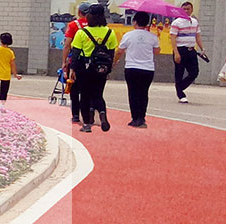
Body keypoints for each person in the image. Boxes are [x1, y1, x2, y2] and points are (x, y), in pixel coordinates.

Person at [68, 3, 117, 132]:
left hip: (84, 68)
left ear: (89, 16)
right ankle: (102, 114)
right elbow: (111, 53)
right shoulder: (110, 33)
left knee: (85, 96)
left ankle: (86, 125)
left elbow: (76, 53)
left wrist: (72, 69)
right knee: (98, 95)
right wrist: (108, 70)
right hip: (101, 68)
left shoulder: (82, 33)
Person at [117, 11, 158, 128]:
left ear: (134, 22)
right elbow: (157, 51)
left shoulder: (128, 35)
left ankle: (135, 118)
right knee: (144, 93)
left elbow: (120, 51)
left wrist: (114, 61)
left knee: (133, 93)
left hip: (132, 68)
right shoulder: (153, 37)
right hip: (148, 69)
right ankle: (141, 118)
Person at [170, 1, 206, 103]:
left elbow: (197, 36)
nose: (186, 11)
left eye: (188, 9)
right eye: (184, 9)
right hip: (180, 49)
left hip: (191, 50)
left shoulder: (194, 22)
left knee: (194, 72)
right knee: (179, 72)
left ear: (191, 10)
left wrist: (202, 48)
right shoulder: (176, 22)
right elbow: (173, 38)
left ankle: (179, 87)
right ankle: (181, 94)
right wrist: (176, 53)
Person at [62, 6, 88, 125]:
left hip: (76, 60)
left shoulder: (73, 25)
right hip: (91, 61)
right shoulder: (95, 25)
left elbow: (67, 45)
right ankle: (88, 114)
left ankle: (76, 115)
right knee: (87, 89)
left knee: (74, 88)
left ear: (79, 12)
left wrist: (64, 61)